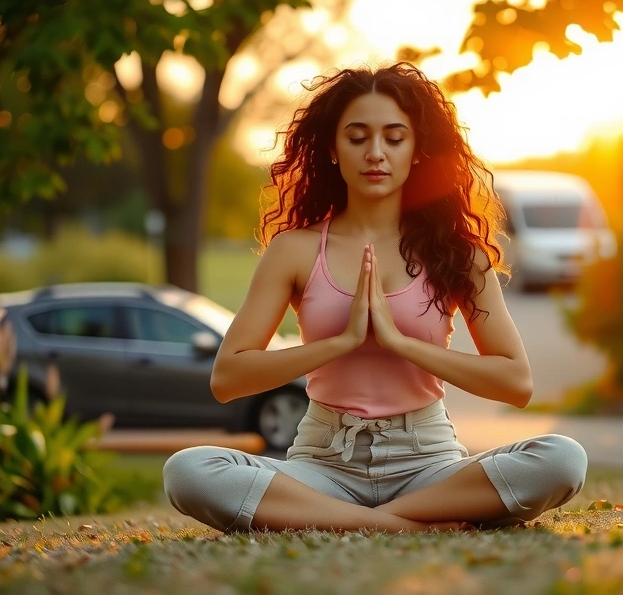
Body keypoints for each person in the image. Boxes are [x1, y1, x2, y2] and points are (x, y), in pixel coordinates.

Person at [163, 62, 587, 533]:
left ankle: (349, 521)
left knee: (562, 459)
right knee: (188, 471)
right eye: (357, 137)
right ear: (332, 148)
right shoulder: (295, 250)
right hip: (322, 465)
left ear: (418, 150)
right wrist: (340, 342)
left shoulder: (458, 254)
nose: (376, 153)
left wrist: (400, 342)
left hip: (429, 464)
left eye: (395, 137)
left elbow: (515, 383)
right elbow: (228, 378)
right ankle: (409, 526)